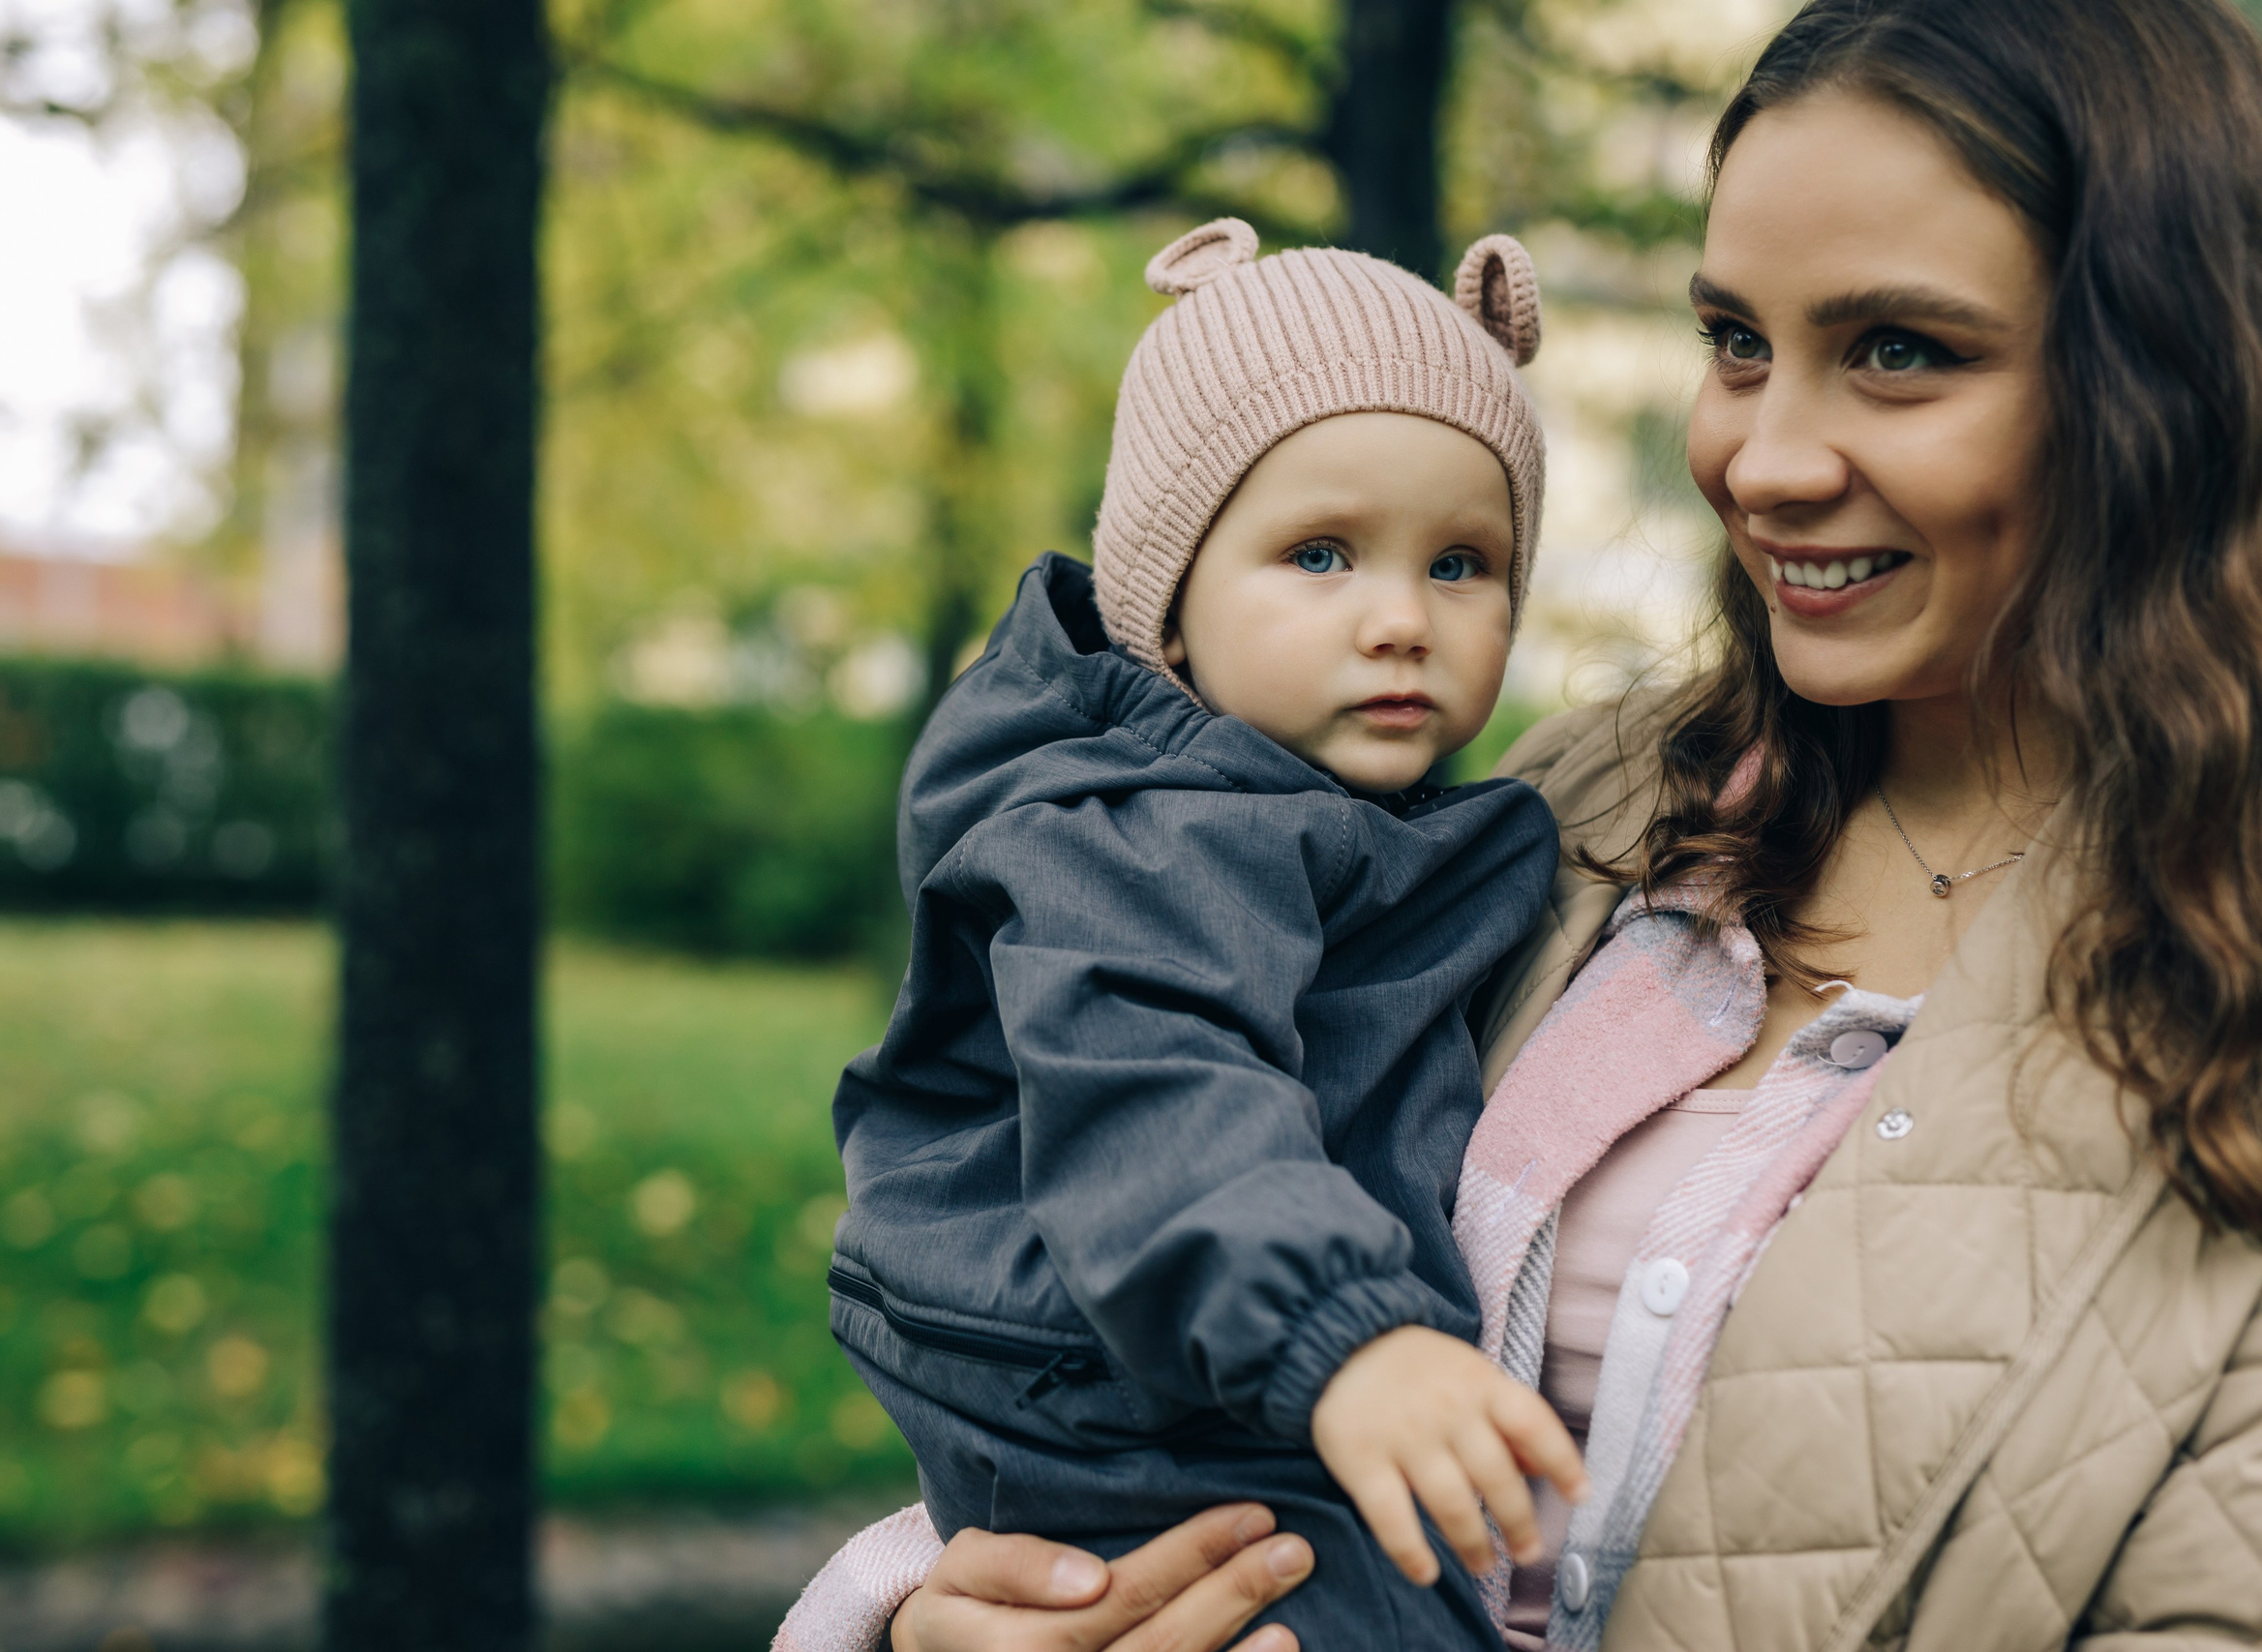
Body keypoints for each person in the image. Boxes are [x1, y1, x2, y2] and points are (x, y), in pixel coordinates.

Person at [781, 0, 2262, 1648]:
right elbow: (1128, 1331)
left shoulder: (2222, 974)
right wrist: (923, 1618)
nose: (1761, 460)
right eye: (1735, 343)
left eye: (1901, 351)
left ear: (2166, 388)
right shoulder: (1578, 814)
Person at [824, 219, 1590, 1652]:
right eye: (1320, 554)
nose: (1399, 620)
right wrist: (1343, 1336)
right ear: (1163, 607)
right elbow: (1155, 1085)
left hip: (1203, 1343)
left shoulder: (1364, 815)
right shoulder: (1146, 830)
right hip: (1115, 1362)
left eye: (1462, 564)